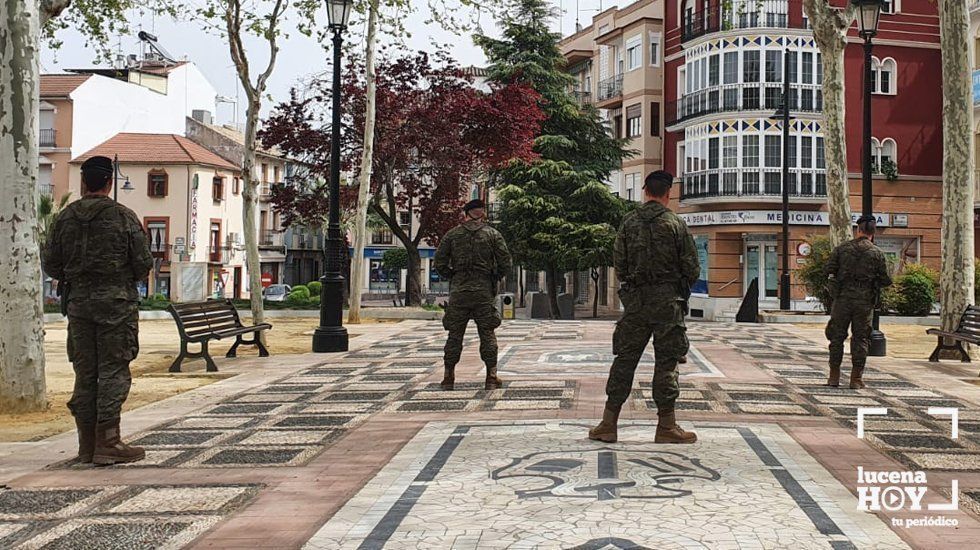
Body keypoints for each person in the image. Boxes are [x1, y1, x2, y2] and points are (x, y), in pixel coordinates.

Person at [41, 155, 153, 465]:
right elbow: (143, 264)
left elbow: (50, 263)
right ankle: (109, 441)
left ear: (82, 182)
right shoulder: (123, 217)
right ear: (109, 183)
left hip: (78, 305)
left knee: (85, 372)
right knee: (114, 369)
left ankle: (86, 445)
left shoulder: (65, 218)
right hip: (116, 305)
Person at [589, 170, 700, 445]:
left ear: (644, 191)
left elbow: (620, 264)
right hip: (668, 303)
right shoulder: (676, 224)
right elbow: (692, 268)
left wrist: (633, 289)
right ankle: (666, 425)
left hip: (636, 303)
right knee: (666, 363)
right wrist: (677, 289)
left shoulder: (628, 223)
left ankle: (608, 423)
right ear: (668, 193)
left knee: (625, 361)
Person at [434, 199, 512, 391]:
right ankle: (491, 377)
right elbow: (505, 262)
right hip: (483, 292)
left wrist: (453, 276)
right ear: (482, 213)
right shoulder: (493, 234)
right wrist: (494, 276)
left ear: (466, 213)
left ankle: (448, 377)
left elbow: (439, 263)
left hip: (459, 292)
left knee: (454, 335)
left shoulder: (452, 235)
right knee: (487, 334)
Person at [824, 215, 893, 389]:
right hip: (864, 302)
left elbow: (828, 270)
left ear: (858, 230)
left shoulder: (842, 249)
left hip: (842, 300)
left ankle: (834, 376)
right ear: (873, 232)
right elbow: (886, 279)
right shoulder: (877, 253)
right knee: (861, 338)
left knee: (837, 337)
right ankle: (856, 378)